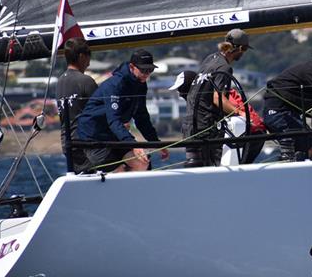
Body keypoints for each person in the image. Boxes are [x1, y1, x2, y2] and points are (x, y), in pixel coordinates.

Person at [76, 49, 169, 173]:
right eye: (143, 70)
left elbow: (142, 118)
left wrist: (156, 142)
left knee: (142, 163)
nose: (147, 74)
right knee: (118, 171)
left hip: (114, 135)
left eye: (150, 70)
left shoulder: (141, 85)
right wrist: (133, 145)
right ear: (132, 67)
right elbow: (114, 120)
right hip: (94, 136)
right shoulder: (115, 85)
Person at [183, 29, 251, 167]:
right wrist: (239, 112)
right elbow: (217, 98)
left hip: (189, 124)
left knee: (196, 166)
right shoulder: (225, 67)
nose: (243, 53)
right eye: (244, 49)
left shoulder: (210, 59)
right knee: (211, 167)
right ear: (239, 48)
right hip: (205, 127)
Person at [171, 68, 265, 165]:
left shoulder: (211, 95)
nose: (180, 94)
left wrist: (239, 113)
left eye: (182, 90)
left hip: (253, 133)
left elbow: (238, 112)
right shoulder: (199, 103)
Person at [55, 38, 97, 170]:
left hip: (67, 142)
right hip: (84, 145)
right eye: (88, 57)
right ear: (81, 56)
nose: (89, 63)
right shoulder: (85, 81)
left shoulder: (60, 81)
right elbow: (102, 112)